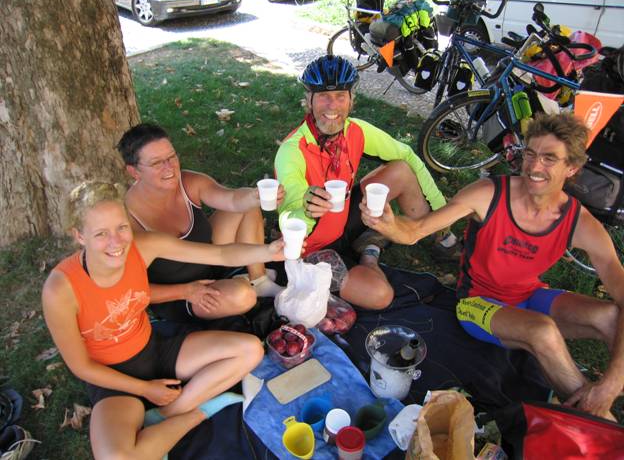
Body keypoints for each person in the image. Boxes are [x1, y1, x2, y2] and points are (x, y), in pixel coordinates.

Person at [361, 113, 624, 420]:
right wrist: (391, 226)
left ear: (572, 168)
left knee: (610, 315)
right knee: (544, 333)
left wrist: (611, 381)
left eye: (550, 159)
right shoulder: (488, 195)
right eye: (530, 154)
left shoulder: (579, 221)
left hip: (529, 297)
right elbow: (417, 230)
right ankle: (597, 422)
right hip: (476, 304)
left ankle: (600, 402)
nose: (535, 167)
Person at [41, 181, 289, 458]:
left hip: (154, 348)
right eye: (101, 233)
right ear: (79, 236)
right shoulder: (60, 289)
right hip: (111, 378)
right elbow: (82, 366)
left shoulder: (142, 246)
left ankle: (166, 415)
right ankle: (197, 412)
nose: (116, 242)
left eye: (121, 227)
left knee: (250, 350)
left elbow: (219, 253)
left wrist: (267, 252)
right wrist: (145, 389)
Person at [274, 55, 457, 310]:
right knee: (379, 295)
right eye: (323, 96)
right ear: (309, 100)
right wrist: (305, 211)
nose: (332, 105)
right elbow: (288, 220)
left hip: (346, 217)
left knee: (402, 170)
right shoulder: (292, 151)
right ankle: (370, 251)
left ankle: (438, 233)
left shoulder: (355, 130)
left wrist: (442, 212)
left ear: (352, 99)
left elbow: (406, 153)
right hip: (313, 246)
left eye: (340, 95)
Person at [117, 123, 284, 324]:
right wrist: (184, 291)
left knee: (244, 207)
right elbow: (128, 290)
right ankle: (238, 285)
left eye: (171, 157)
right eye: (156, 163)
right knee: (243, 296)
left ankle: (260, 280)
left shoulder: (187, 181)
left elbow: (231, 199)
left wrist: (253, 197)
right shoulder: (127, 222)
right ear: (134, 172)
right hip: (182, 294)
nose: (169, 167)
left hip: (209, 259)